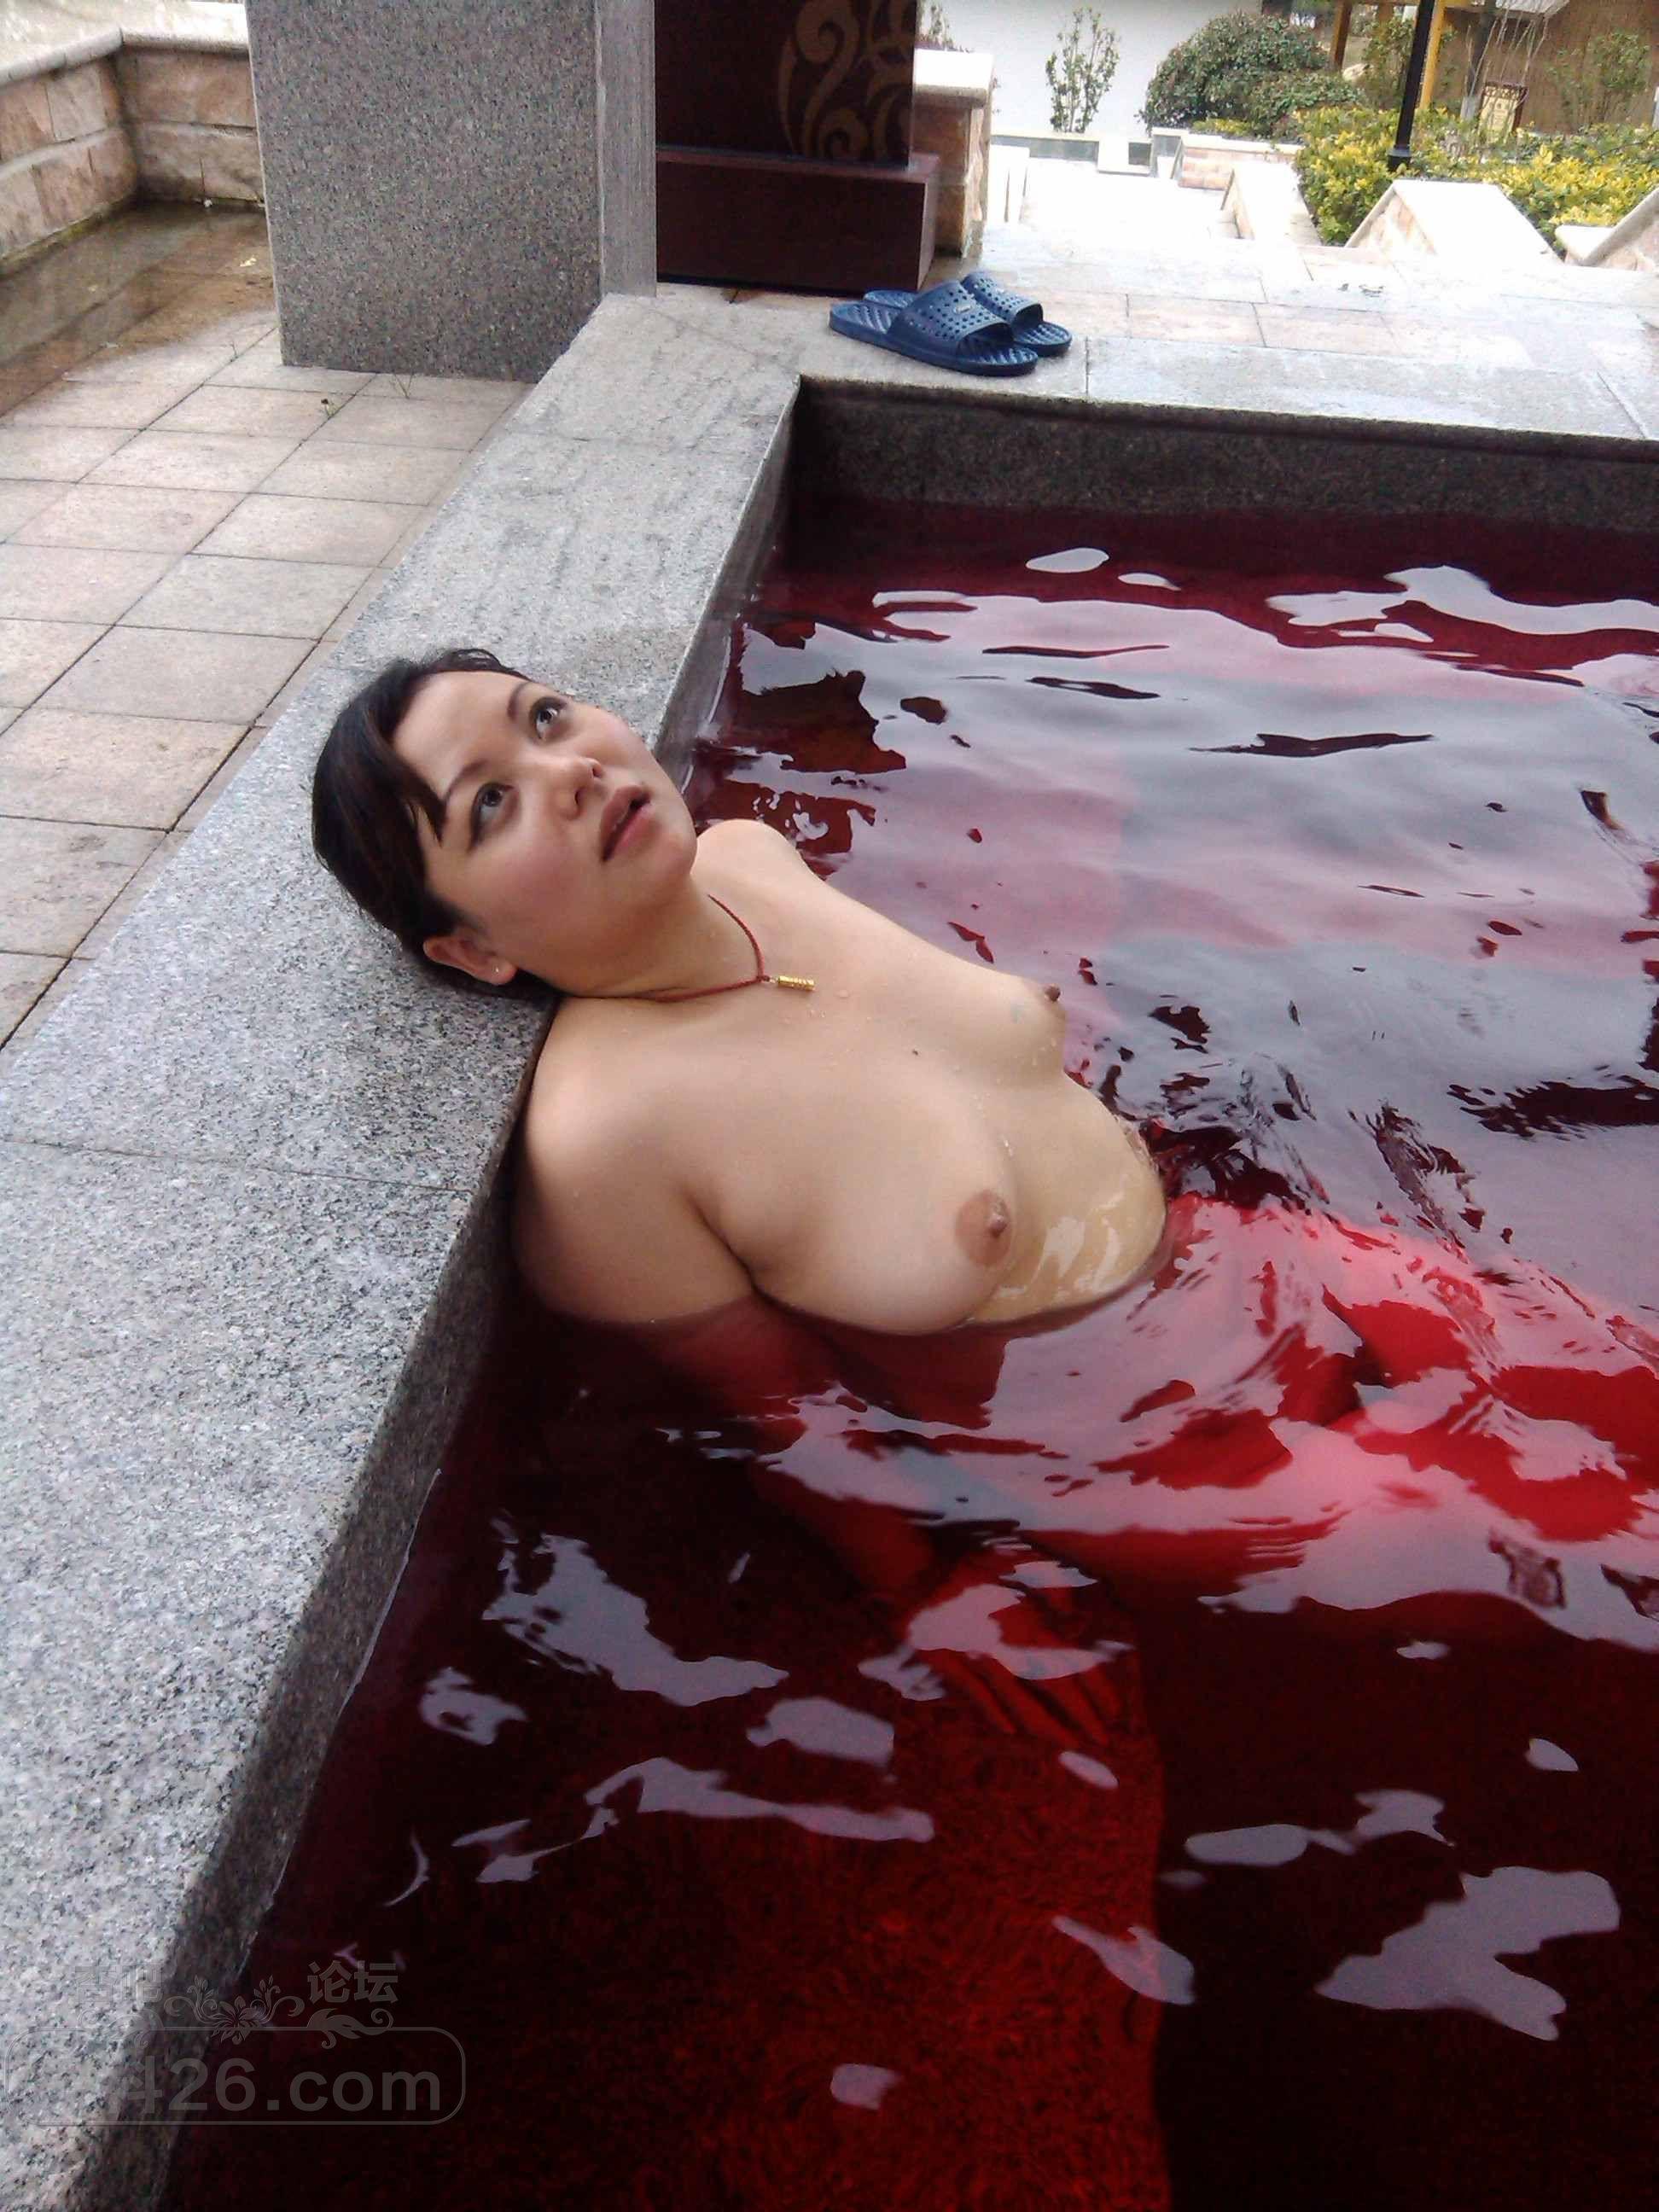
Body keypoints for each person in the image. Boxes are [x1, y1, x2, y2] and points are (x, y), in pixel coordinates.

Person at [313, 645, 1659, 1744]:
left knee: (1623, 1373)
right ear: (471, 950)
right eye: (488, 804)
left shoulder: (751, 862)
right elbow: (783, 1413)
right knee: (1596, 1537)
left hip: (1245, 1258)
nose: (568, 771)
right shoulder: (607, 1147)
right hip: (1150, 1454)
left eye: (546, 716)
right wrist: (934, 1587)